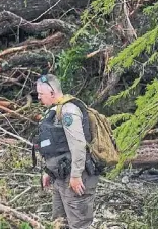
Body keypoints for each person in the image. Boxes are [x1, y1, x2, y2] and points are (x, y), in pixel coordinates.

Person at [36, 74, 99, 229]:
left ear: (52, 93)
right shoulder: (53, 112)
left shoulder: (69, 111)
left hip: (75, 178)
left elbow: (78, 144)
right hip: (60, 178)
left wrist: (76, 175)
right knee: (59, 222)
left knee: (79, 224)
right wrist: (48, 172)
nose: (38, 98)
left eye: (41, 94)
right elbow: (56, 148)